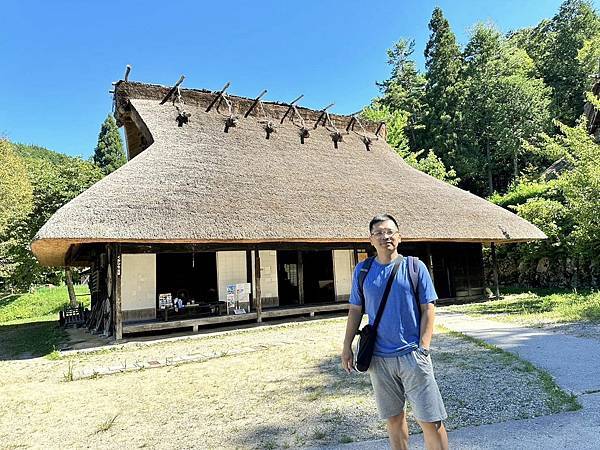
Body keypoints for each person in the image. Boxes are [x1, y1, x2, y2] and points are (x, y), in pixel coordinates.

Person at [341, 214, 448, 450]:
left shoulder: (414, 267)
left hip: (412, 355)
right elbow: (355, 309)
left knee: (431, 420)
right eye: (378, 233)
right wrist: (347, 346)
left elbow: (428, 308)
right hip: (378, 358)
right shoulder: (363, 271)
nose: (385, 236)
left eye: (390, 232)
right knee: (393, 419)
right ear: (371, 240)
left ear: (399, 237)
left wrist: (424, 347)